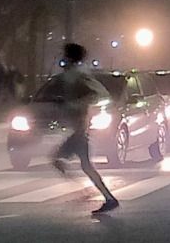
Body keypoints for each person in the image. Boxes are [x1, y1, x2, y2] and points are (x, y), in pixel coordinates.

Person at [51, 43, 119, 215]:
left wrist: (74, 104)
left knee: (59, 160)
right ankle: (106, 197)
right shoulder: (71, 75)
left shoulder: (79, 76)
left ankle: (87, 192)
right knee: (85, 165)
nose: (62, 57)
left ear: (70, 57)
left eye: (64, 54)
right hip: (79, 128)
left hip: (80, 129)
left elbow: (100, 94)